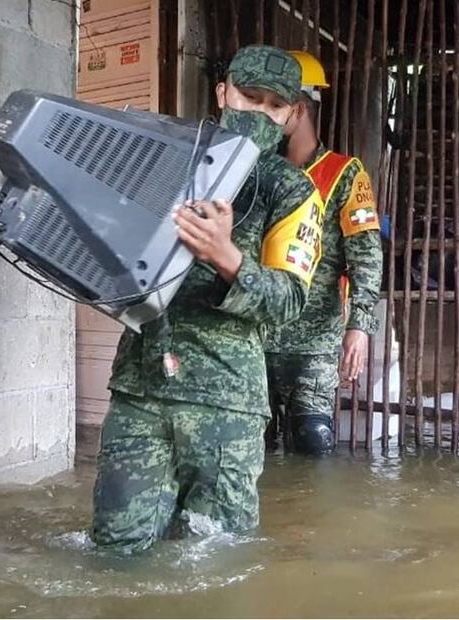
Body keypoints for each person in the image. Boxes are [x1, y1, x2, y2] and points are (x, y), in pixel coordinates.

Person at [91, 45, 325, 552]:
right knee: (115, 549)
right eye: (249, 97)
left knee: (216, 560)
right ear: (223, 94)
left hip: (226, 403)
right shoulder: (167, 159)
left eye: (274, 106)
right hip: (140, 389)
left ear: (291, 115)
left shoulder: (291, 191)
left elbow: (289, 301)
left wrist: (226, 256)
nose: (259, 113)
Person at [264, 50, 384, 455]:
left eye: (274, 105)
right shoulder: (257, 171)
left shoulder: (345, 173)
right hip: (257, 335)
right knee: (251, 447)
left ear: (299, 109)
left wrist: (360, 327)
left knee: (312, 441)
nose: (264, 115)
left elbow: (366, 256)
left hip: (315, 340)